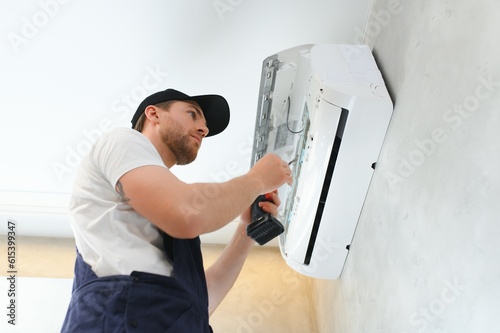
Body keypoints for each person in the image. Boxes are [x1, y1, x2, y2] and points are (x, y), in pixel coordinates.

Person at [61, 88, 293, 332]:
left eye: (205, 126)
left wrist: (246, 232)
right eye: (193, 114)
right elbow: (187, 214)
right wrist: (256, 180)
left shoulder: (162, 210)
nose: (204, 129)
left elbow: (197, 303)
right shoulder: (121, 141)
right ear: (153, 114)